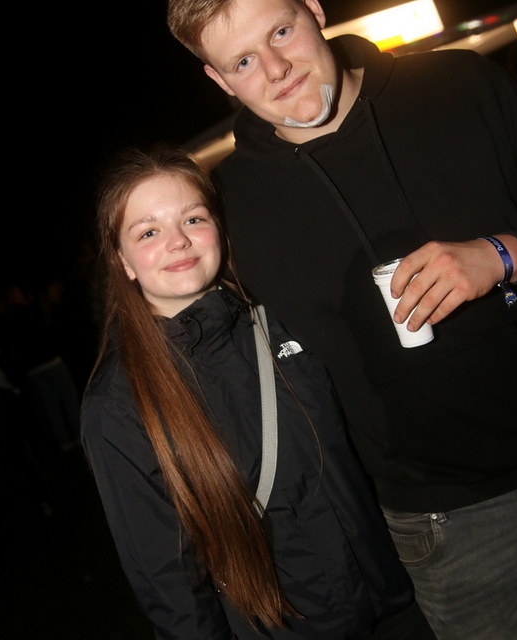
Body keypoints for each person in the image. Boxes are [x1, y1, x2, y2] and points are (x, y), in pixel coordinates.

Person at [166, 1, 517, 638]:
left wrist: (500, 256)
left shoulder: (458, 85)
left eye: (281, 32)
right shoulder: (234, 206)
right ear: (218, 79)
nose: (275, 69)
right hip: (446, 530)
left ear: (314, 10)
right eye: (242, 61)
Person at [80, 146, 435, 640]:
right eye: (148, 232)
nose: (178, 241)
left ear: (219, 229)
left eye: (193, 218)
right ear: (124, 262)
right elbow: (170, 585)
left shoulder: (285, 319)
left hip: (396, 609)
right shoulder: (118, 405)